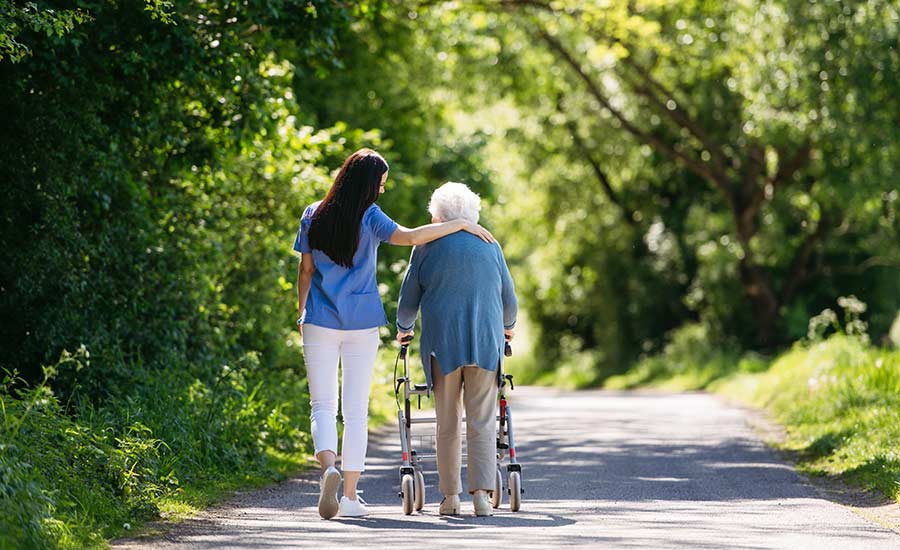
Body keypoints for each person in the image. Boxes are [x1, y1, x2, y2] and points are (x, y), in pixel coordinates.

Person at [294, 150, 494, 519]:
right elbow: (412, 237)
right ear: (367, 185)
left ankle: (328, 469)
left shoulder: (313, 213)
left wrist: (301, 311)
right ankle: (349, 497)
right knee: (356, 411)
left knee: (322, 405)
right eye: (381, 185)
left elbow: (306, 271)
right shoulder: (370, 216)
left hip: (319, 320)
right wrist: (460, 224)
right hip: (361, 323)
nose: (382, 191)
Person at [396, 182, 517, 517]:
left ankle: (450, 498)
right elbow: (509, 299)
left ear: (439, 216)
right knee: (482, 420)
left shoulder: (425, 247)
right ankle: (482, 497)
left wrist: (404, 329)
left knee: (447, 422)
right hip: (485, 342)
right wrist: (508, 327)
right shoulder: (490, 244)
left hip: (443, 346)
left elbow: (408, 300)